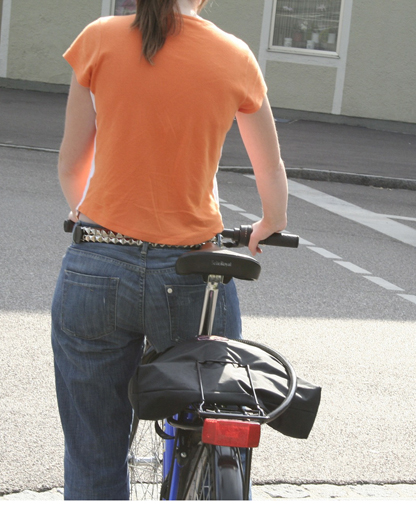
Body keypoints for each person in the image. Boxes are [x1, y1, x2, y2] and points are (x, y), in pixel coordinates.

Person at [51, 0, 288, 500]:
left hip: (97, 267)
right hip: (194, 272)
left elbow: (72, 165)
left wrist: (85, 211)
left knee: (93, 451)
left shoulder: (98, 39)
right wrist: (269, 223)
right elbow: (270, 170)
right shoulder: (235, 55)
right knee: (211, 421)